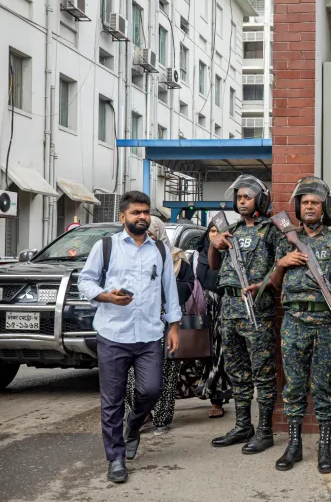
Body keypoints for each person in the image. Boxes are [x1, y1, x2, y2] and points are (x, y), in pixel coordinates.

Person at [77, 191, 180, 484]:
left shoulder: (159, 250)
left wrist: (173, 327)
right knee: (112, 400)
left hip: (149, 335)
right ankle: (116, 458)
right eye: (136, 213)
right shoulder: (106, 246)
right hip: (113, 333)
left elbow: (169, 290)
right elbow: (85, 279)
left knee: (151, 390)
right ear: (123, 217)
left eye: (146, 212)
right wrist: (105, 296)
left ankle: (133, 427)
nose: (142, 217)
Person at [270, 176, 331, 474]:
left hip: (325, 321)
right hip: (294, 322)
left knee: (322, 386)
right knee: (294, 386)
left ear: (325, 208)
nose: (310, 207)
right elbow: (273, 285)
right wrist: (282, 263)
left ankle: (324, 447)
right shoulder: (285, 240)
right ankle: (294, 445)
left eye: (315, 203)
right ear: (298, 207)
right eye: (305, 202)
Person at [208, 176, 280, 455]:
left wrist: (263, 285)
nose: (241, 201)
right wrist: (215, 243)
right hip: (229, 309)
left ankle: (264, 431)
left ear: (260, 200)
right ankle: (242, 425)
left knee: (262, 372)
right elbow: (214, 267)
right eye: (239, 197)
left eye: (247, 197)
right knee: (237, 371)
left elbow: (280, 269)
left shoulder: (270, 230)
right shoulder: (232, 229)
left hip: (256, 310)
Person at [124, 218, 195, 436]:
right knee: (133, 371)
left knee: (166, 369)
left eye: (153, 236)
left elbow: (187, 287)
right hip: (137, 322)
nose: (149, 240)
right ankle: (138, 415)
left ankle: (162, 417)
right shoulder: (130, 258)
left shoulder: (175, 258)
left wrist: (159, 294)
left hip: (167, 321)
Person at [191, 221, 231, 418]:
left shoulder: (229, 254)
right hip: (202, 309)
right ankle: (203, 387)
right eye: (212, 231)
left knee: (219, 353)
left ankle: (217, 399)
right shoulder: (198, 255)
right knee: (202, 354)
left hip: (223, 307)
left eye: (219, 231)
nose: (215, 235)